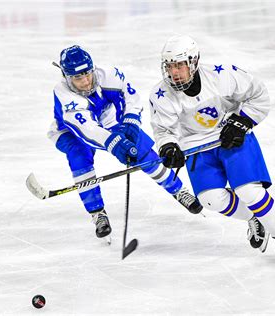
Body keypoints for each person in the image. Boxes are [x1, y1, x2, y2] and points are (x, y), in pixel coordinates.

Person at [149, 35, 275, 263]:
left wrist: (243, 122)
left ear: (194, 61)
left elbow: (258, 95)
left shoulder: (222, 76)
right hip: (197, 147)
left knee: (248, 191)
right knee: (211, 200)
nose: (174, 72)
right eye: (170, 66)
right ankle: (256, 218)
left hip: (231, 137)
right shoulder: (161, 95)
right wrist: (169, 147)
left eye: (180, 65)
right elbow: (164, 131)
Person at [47, 44, 202, 240]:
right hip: (72, 131)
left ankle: (179, 191)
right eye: (78, 77)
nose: (85, 81)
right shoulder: (64, 94)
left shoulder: (109, 75)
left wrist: (130, 122)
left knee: (141, 148)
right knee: (79, 155)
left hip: (109, 121)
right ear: (67, 77)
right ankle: (97, 213)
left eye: (87, 73)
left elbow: (131, 97)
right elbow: (89, 130)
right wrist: (116, 143)